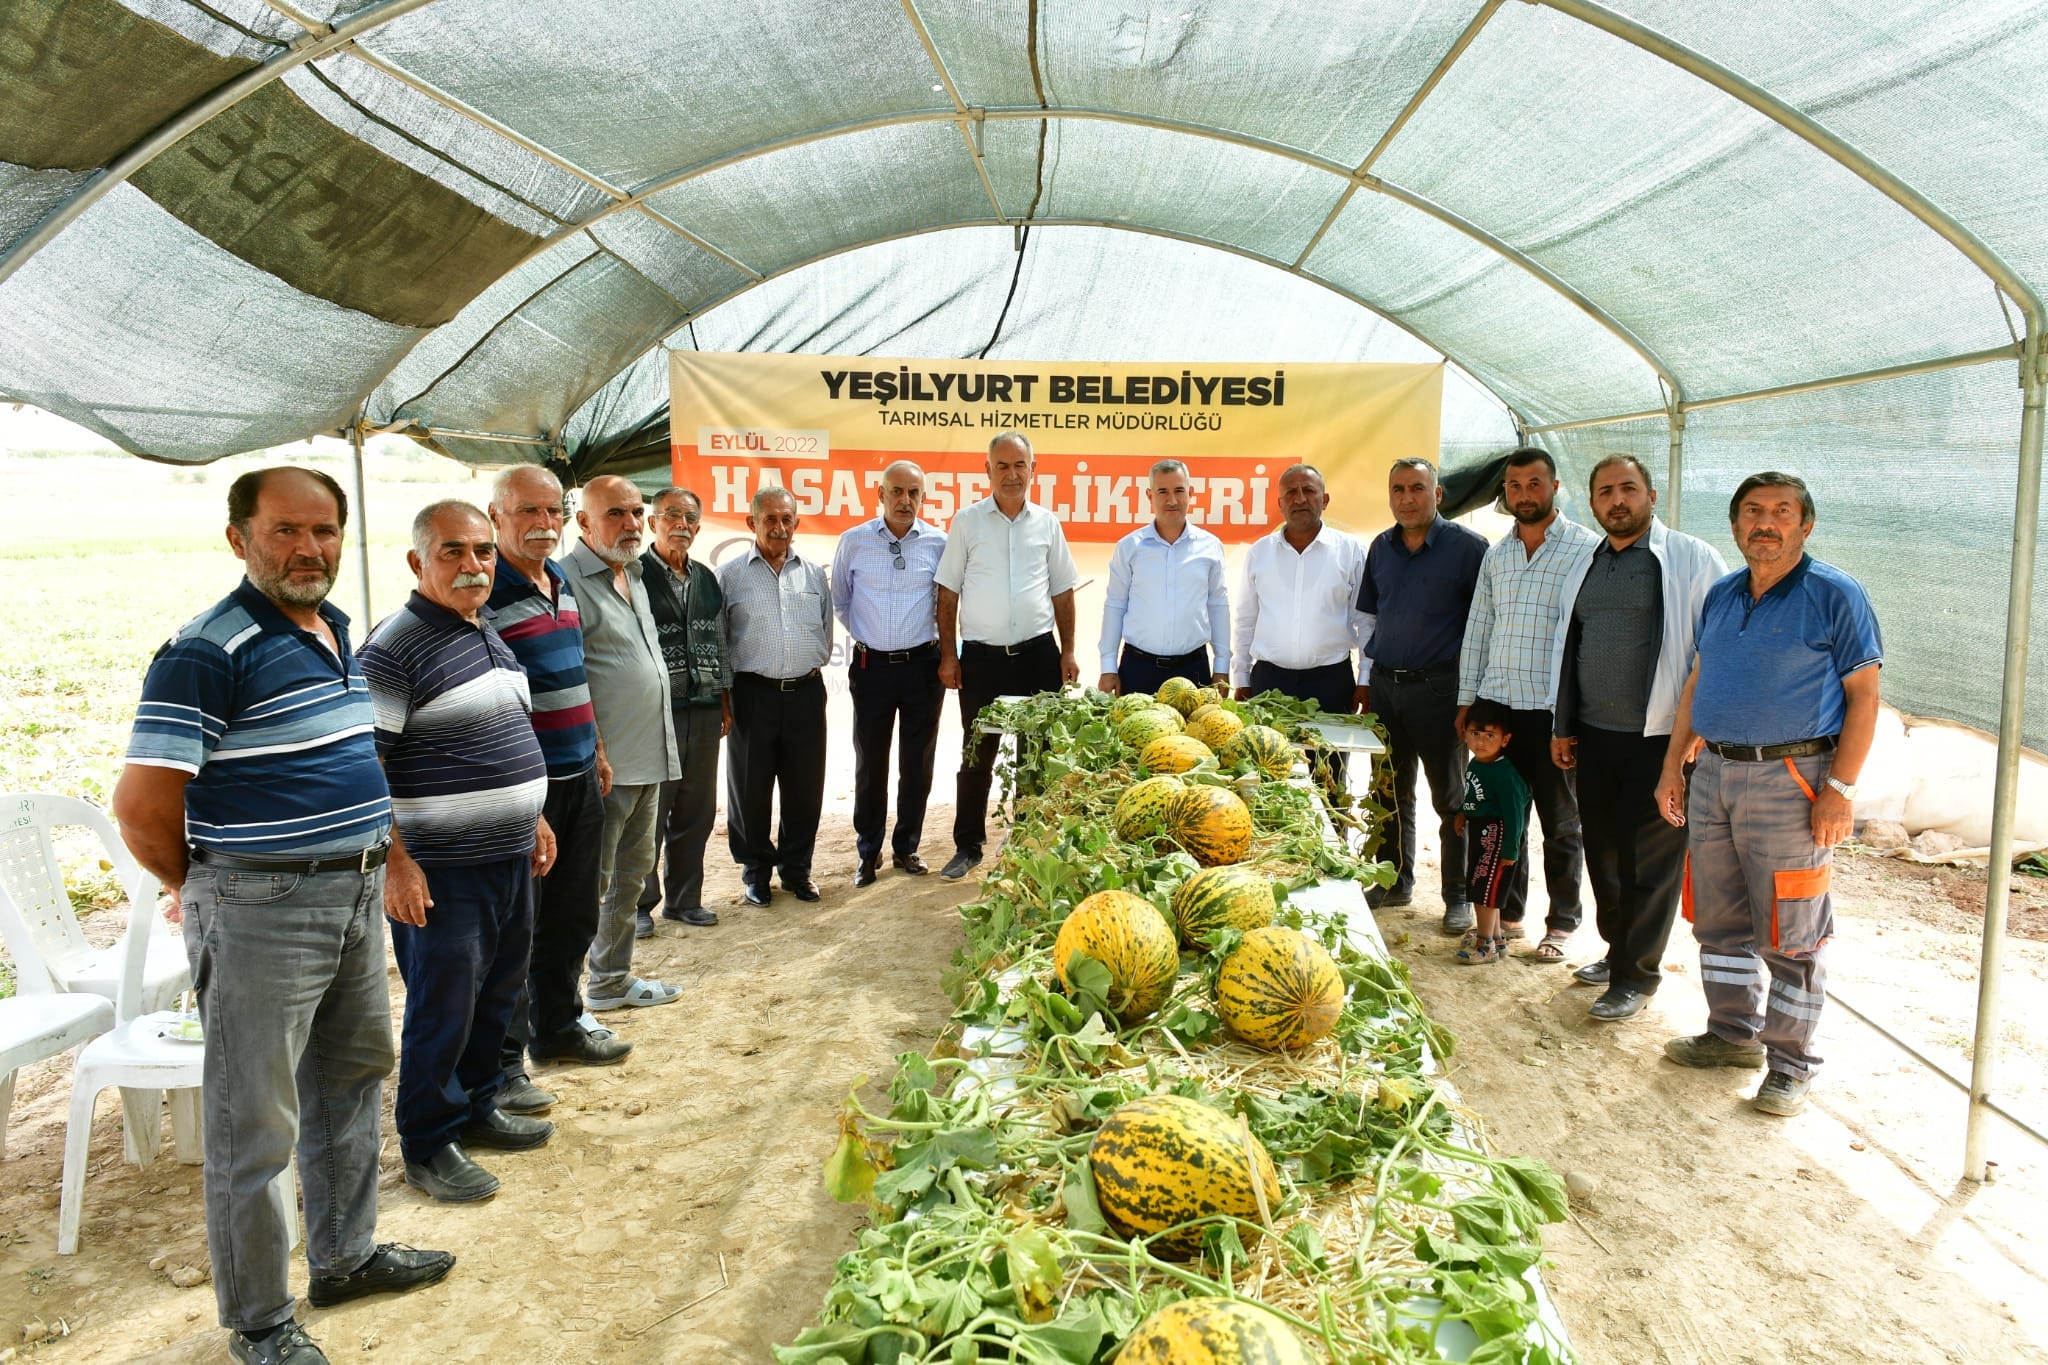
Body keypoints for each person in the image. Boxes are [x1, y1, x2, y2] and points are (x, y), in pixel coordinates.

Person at [112, 467, 452, 1365]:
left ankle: (345, 1255)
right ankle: (260, 1320)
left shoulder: (335, 629)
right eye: (285, 532)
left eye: (325, 531)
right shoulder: (207, 650)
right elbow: (143, 806)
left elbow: (351, 763)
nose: (309, 549)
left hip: (348, 892)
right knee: (252, 1125)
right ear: (239, 539)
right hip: (259, 903)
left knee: (348, 1081)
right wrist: (213, 887)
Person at [1654, 472, 1881, 1117]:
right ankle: (1732, 1034)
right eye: (1753, 511)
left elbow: (1864, 697)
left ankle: (1791, 1062)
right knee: (1719, 918)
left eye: (1783, 511)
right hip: (1715, 774)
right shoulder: (1724, 595)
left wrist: (1839, 789)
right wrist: (1675, 764)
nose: (1766, 522)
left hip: (1793, 779)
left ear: (1805, 525)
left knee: (1792, 929)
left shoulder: (1836, 594)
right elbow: (1698, 683)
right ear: (1734, 525)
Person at [359, 501, 558, 1204]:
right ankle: (428, 1140)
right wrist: (395, 861)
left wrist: (531, 817)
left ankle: (476, 1106)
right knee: (443, 1006)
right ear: (418, 562)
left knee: (496, 992)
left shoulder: (486, 632)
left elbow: (503, 735)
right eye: (453, 552)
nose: (473, 564)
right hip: (441, 867)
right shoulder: (395, 647)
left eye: (482, 551)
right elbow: (365, 763)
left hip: (507, 855)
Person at [1550, 456, 1726, 1022]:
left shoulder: (1689, 558)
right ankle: (1616, 950)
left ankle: (1637, 976)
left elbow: (1710, 654)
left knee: (1650, 862)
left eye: (1628, 489)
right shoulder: (1588, 562)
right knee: (1602, 853)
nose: (1616, 500)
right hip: (1595, 737)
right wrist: (1563, 726)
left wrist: (1689, 741)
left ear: (1651, 494)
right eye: (1605, 492)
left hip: (1661, 742)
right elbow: (1568, 648)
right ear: (1593, 501)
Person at [486, 466, 632, 1109]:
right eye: (526, 513)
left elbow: (576, 672)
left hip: (579, 775)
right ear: (496, 517)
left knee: (573, 915)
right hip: (527, 790)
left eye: (552, 511)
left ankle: (559, 1027)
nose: (542, 524)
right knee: (518, 930)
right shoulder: (484, 591)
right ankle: (505, 1061)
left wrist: (597, 747)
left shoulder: (563, 582)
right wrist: (527, 790)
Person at [1456, 446, 1600, 963]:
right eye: (1514, 487)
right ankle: (1507, 917)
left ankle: (1561, 923)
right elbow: (1479, 629)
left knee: (1561, 822)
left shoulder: (1585, 548)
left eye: (1534, 484)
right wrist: (1468, 701)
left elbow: (1589, 635)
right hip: (1498, 711)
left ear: (1555, 487)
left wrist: (1578, 712)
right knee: (1497, 819)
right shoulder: (1498, 554)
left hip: (1554, 712)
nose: (1524, 495)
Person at [934, 432, 1082, 880]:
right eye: (1003, 466)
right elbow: (947, 594)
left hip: (1039, 654)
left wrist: (1068, 650)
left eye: (1020, 465)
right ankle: (968, 846)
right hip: (981, 659)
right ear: (988, 471)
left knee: (1037, 753)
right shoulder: (967, 522)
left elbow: (1063, 592)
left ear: (1033, 469)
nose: (1012, 474)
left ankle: (1029, 840)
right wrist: (948, 656)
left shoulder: (1048, 523)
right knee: (977, 753)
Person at [563, 475, 684, 1011]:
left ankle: (610, 982)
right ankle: (562, 1007)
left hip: (649, 756)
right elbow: (563, 679)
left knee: (631, 881)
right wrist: (596, 748)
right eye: (615, 513)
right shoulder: (563, 581)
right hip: (604, 765)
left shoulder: (633, 572)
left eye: (636, 511)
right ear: (583, 522)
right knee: (587, 887)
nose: (631, 524)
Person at [1355, 457, 1487, 932]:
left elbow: (1483, 626)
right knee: (1389, 789)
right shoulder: (1381, 548)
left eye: (1416, 488)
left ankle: (1457, 896)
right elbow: (1372, 618)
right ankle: (1394, 881)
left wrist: (1473, 698)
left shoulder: (1469, 549)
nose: (1406, 498)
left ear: (1438, 494)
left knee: (1451, 797)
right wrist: (1368, 682)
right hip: (1388, 687)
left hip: (1441, 690)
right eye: (1397, 490)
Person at [831, 461, 947, 887]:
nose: (905, 500)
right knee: (870, 762)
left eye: (914, 493)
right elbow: (841, 601)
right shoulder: (854, 542)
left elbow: (947, 605)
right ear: (880, 495)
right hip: (872, 667)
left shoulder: (939, 543)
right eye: (896, 491)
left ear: (922, 497)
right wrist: (872, 638)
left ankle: (906, 847)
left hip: (924, 668)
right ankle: (868, 853)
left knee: (917, 762)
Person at [719, 486, 834, 904]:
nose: (779, 527)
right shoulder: (730, 575)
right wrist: (725, 698)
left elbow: (825, 629)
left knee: (805, 788)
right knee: (750, 789)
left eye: (787, 519)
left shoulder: (814, 574)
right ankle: (756, 873)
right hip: (753, 694)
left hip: (806, 691)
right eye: (770, 519)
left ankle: (797, 870)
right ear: (752, 523)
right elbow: (719, 638)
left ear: (796, 523)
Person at [636, 487, 732, 928]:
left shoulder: (707, 578)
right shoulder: (632, 574)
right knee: (651, 809)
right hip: (654, 712)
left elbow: (721, 641)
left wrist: (725, 700)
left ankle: (684, 899)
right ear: (653, 521)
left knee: (698, 808)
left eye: (690, 517)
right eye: (671, 515)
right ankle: (639, 905)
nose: (682, 524)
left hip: (706, 707)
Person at [1230, 462, 1370, 717]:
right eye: (1290, 493)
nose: (1300, 499)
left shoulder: (1351, 552)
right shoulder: (1259, 553)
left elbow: (1366, 621)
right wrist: (1241, 676)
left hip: (1332, 682)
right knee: (1267, 756)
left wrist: (1365, 678)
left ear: (1325, 500)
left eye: (1309, 490)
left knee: (1331, 757)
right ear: (1280, 504)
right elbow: (1246, 620)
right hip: (1268, 683)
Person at [1097, 459, 1231, 698]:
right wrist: (1108, 667)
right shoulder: (1129, 548)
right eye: (1163, 492)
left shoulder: (1210, 547)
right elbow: (1115, 605)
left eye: (1179, 490)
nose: (1172, 500)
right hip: (1138, 670)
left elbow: (1217, 605)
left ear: (1190, 493)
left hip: (1194, 671)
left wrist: (1221, 666)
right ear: (1150, 496)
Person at [1451, 699, 1528, 966]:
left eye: (1489, 736)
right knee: (1482, 887)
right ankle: (1496, 938)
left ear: (1505, 740)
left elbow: (1516, 815)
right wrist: (1463, 813)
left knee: (1484, 889)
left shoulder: (1504, 774)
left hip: (1496, 835)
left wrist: (1510, 849)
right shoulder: (1476, 764)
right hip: (1480, 831)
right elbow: (1473, 795)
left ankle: (1485, 946)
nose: (1480, 742)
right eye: (1475, 734)